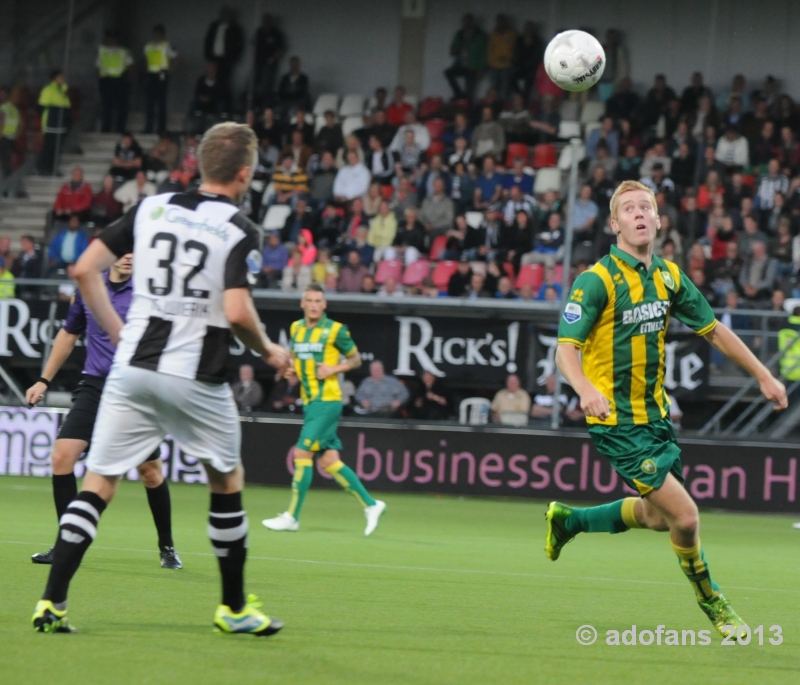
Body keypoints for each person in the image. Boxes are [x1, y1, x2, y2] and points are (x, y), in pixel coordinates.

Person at [30, 122, 290, 636]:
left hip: (133, 371)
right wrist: (269, 349)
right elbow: (237, 312)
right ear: (245, 173)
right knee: (227, 481)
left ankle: (51, 603)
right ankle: (233, 608)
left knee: (99, 482)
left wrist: (118, 330)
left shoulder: (152, 208)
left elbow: (83, 271)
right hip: (196, 374)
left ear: (199, 164)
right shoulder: (240, 228)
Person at [549, 180, 787, 641]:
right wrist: (582, 387)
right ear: (614, 224)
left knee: (658, 517)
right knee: (687, 516)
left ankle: (570, 520)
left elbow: (714, 330)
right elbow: (565, 348)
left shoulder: (669, 277)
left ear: (658, 221)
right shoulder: (595, 281)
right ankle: (714, 603)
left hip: (656, 419)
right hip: (616, 422)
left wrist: (762, 374)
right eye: (629, 209)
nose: (639, 214)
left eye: (647, 207)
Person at [26, 250, 180, 568]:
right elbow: (69, 334)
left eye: (133, 252)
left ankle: (167, 547)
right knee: (61, 457)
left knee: (150, 473)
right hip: (95, 387)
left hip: (134, 391)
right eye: (121, 252)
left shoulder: (148, 291)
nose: (127, 257)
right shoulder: (89, 288)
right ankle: (66, 544)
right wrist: (43, 380)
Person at [262, 284, 385, 534]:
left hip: (327, 400)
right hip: (310, 401)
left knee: (301, 454)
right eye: (310, 300)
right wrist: (291, 369)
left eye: (319, 300)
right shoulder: (296, 328)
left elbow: (356, 359)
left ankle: (292, 517)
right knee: (329, 461)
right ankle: (371, 505)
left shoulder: (335, 330)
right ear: (303, 303)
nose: (315, 304)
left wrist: (333, 369)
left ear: (325, 304)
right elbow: (298, 360)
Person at [203, 7, 244, 100]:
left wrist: (233, 58)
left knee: (224, 82)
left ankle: (223, 104)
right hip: (213, 58)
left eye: (227, 14)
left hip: (226, 59)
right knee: (211, 81)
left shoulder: (234, 27)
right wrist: (208, 57)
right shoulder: (214, 26)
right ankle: (210, 102)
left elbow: (239, 44)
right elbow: (208, 41)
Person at [143, 25, 178, 134]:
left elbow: (177, 58)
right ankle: (148, 127)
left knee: (161, 101)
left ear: (163, 34)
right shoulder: (148, 46)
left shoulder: (167, 45)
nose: (157, 35)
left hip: (162, 73)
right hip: (151, 74)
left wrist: (170, 69)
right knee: (150, 102)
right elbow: (146, 60)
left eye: (159, 33)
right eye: (155, 33)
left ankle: (161, 127)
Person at [444, 13, 486, 102]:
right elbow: (453, 49)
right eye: (464, 22)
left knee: (469, 92)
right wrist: (455, 50)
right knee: (448, 73)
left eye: (468, 22)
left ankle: (470, 111)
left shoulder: (480, 35)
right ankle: (458, 93)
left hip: (473, 67)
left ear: (472, 22)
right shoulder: (459, 34)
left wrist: (481, 69)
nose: (466, 24)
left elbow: (483, 53)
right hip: (461, 64)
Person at [96, 32, 132, 133]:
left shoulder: (123, 51)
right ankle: (106, 127)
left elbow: (130, 65)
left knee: (121, 105)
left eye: (113, 39)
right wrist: (99, 79)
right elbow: (98, 66)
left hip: (119, 80)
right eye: (109, 39)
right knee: (107, 105)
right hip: (106, 80)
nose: (111, 42)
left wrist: (127, 79)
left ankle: (120, 128)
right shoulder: (102, 50)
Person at [38, 70, 71, 175]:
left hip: (60, 124)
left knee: (57, 148)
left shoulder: (63, 91)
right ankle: (44, 168)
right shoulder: (48, 90)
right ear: (55, 78)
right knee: (49, 147)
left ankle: (53, 168)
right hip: (51, 123)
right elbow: (41, 107)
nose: (62, 79)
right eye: (60, 77)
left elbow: (66, 106)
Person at [253, 13, 286, 107]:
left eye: (268, 21)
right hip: (258, 62)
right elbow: (254, 46)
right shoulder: (259, 32)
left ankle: (265, 106)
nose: (266, 23)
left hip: (269, 63)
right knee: (255, 85)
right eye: (264, 21)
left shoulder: (276, 33)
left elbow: (280, 49)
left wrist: (272, 59)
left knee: (266, 86)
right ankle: (256, 106)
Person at [0, 86, 20, 182]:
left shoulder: (3, 107)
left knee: (5, 163)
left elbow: (2, 123)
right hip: (11, 137)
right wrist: (16, 134)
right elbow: (21, 123)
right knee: (7, 162)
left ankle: (6, 184)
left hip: (3, 137)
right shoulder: (12, 107)